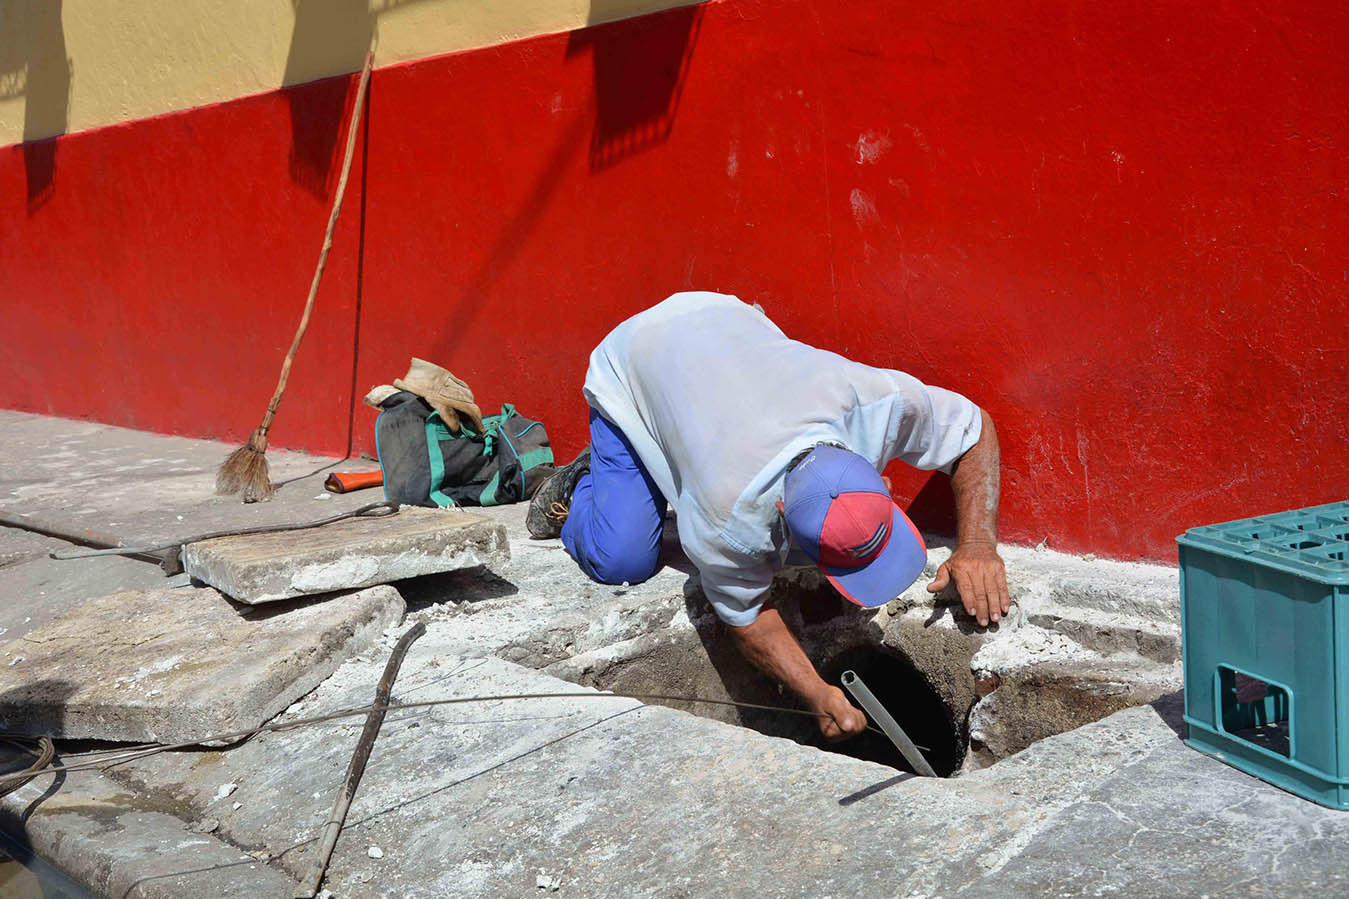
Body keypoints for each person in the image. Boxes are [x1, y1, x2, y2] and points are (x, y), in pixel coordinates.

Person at [527, 292, 1008, 740]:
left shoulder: (873, 402)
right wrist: (815, 692)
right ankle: (586, 485)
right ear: (779, 512)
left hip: (723, 319)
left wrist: (979, 547)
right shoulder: (727, 518)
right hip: (636, 361)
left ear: (878, 476)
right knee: (622, 556)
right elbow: (747, 613)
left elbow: (974, 429)